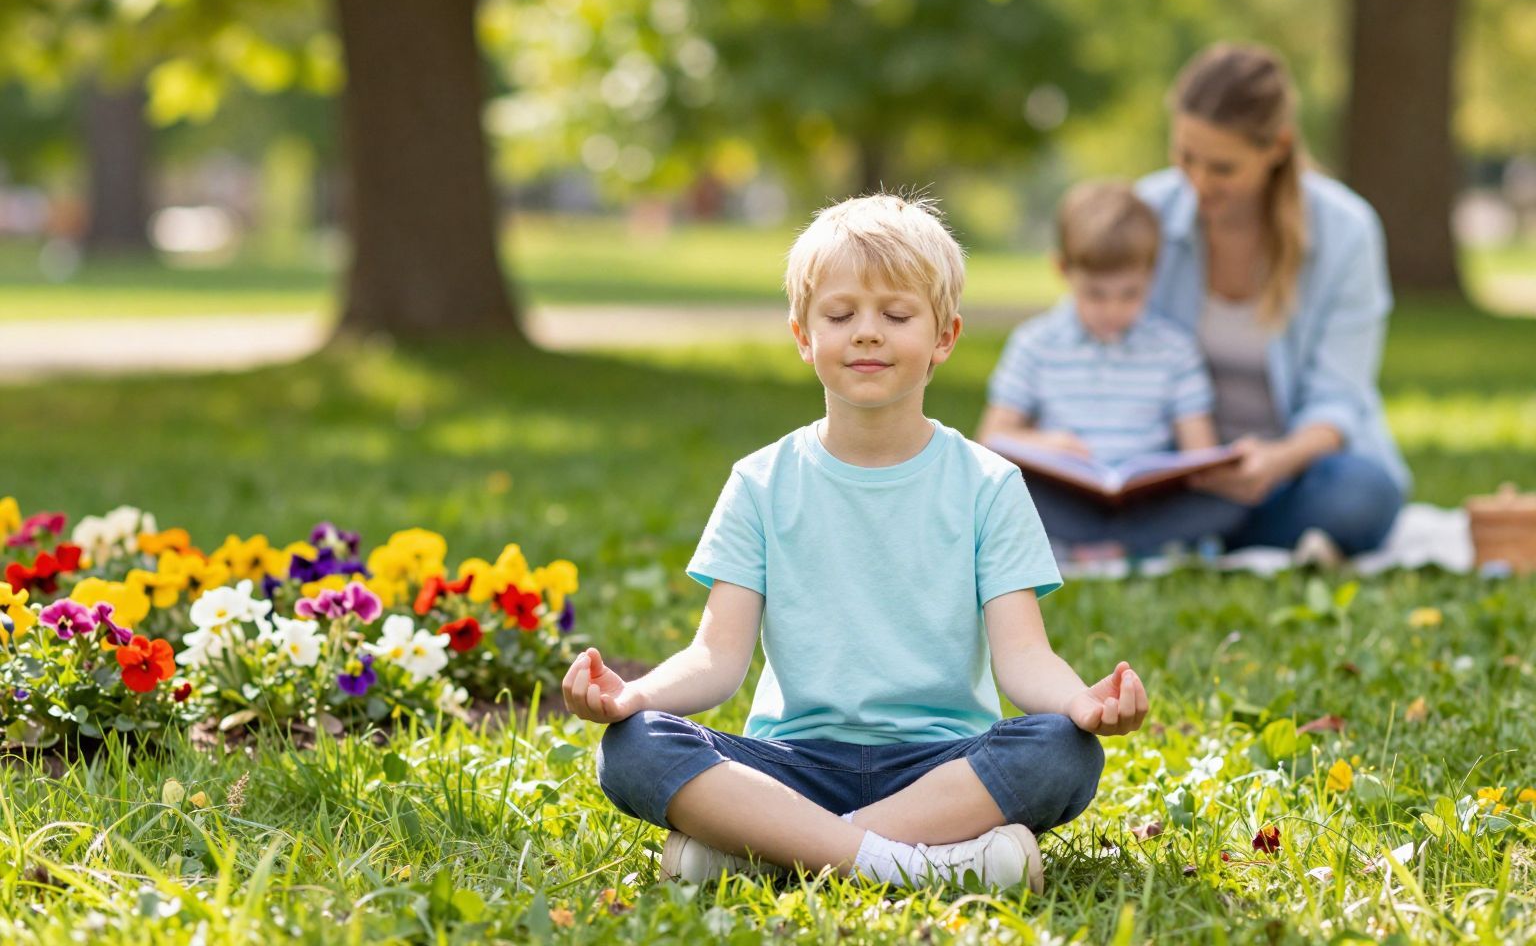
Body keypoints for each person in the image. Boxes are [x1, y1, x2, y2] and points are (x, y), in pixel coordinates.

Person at [569, 192, 1146, 891]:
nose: (867, 334)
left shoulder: (989, 483)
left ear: (944, 336)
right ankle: (911, 863)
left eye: (896, 316)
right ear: (803, 335)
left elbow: (1024, 657)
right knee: (633, 748)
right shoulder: (760, 482)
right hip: (790, 765)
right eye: (840, 316)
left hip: (941, 768)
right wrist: (635, 696)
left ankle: (769, 850)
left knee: (1063, 751)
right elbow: (716, 659)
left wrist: (1083, 705)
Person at [1139, 43, 1408, 556]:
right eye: (1185, 157)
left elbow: (1340, 397)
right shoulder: (1148, 212)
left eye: (1222, 168)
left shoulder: (1346, 231)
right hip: (1173, 466)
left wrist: (1276, 462)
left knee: (1362, 495)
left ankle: (1198, 533)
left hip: (1297, 470)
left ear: (1278, 147)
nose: (1197, 183)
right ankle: (1220, 529)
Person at [977, 181, 1249, 556]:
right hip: (1067, 501)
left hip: (1145, 506)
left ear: (1152, 275)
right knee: (1010, 491)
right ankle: (1122, 547)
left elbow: (1198, 453)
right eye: (1095, 294)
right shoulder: (1034, 344)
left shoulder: (1174, 350)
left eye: (1130, 294)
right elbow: (991, 439)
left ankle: (1096, 548)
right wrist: (1048, 445)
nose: (1112, 310)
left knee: (1227, 504)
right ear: (1063, 270)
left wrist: (1184, 474)